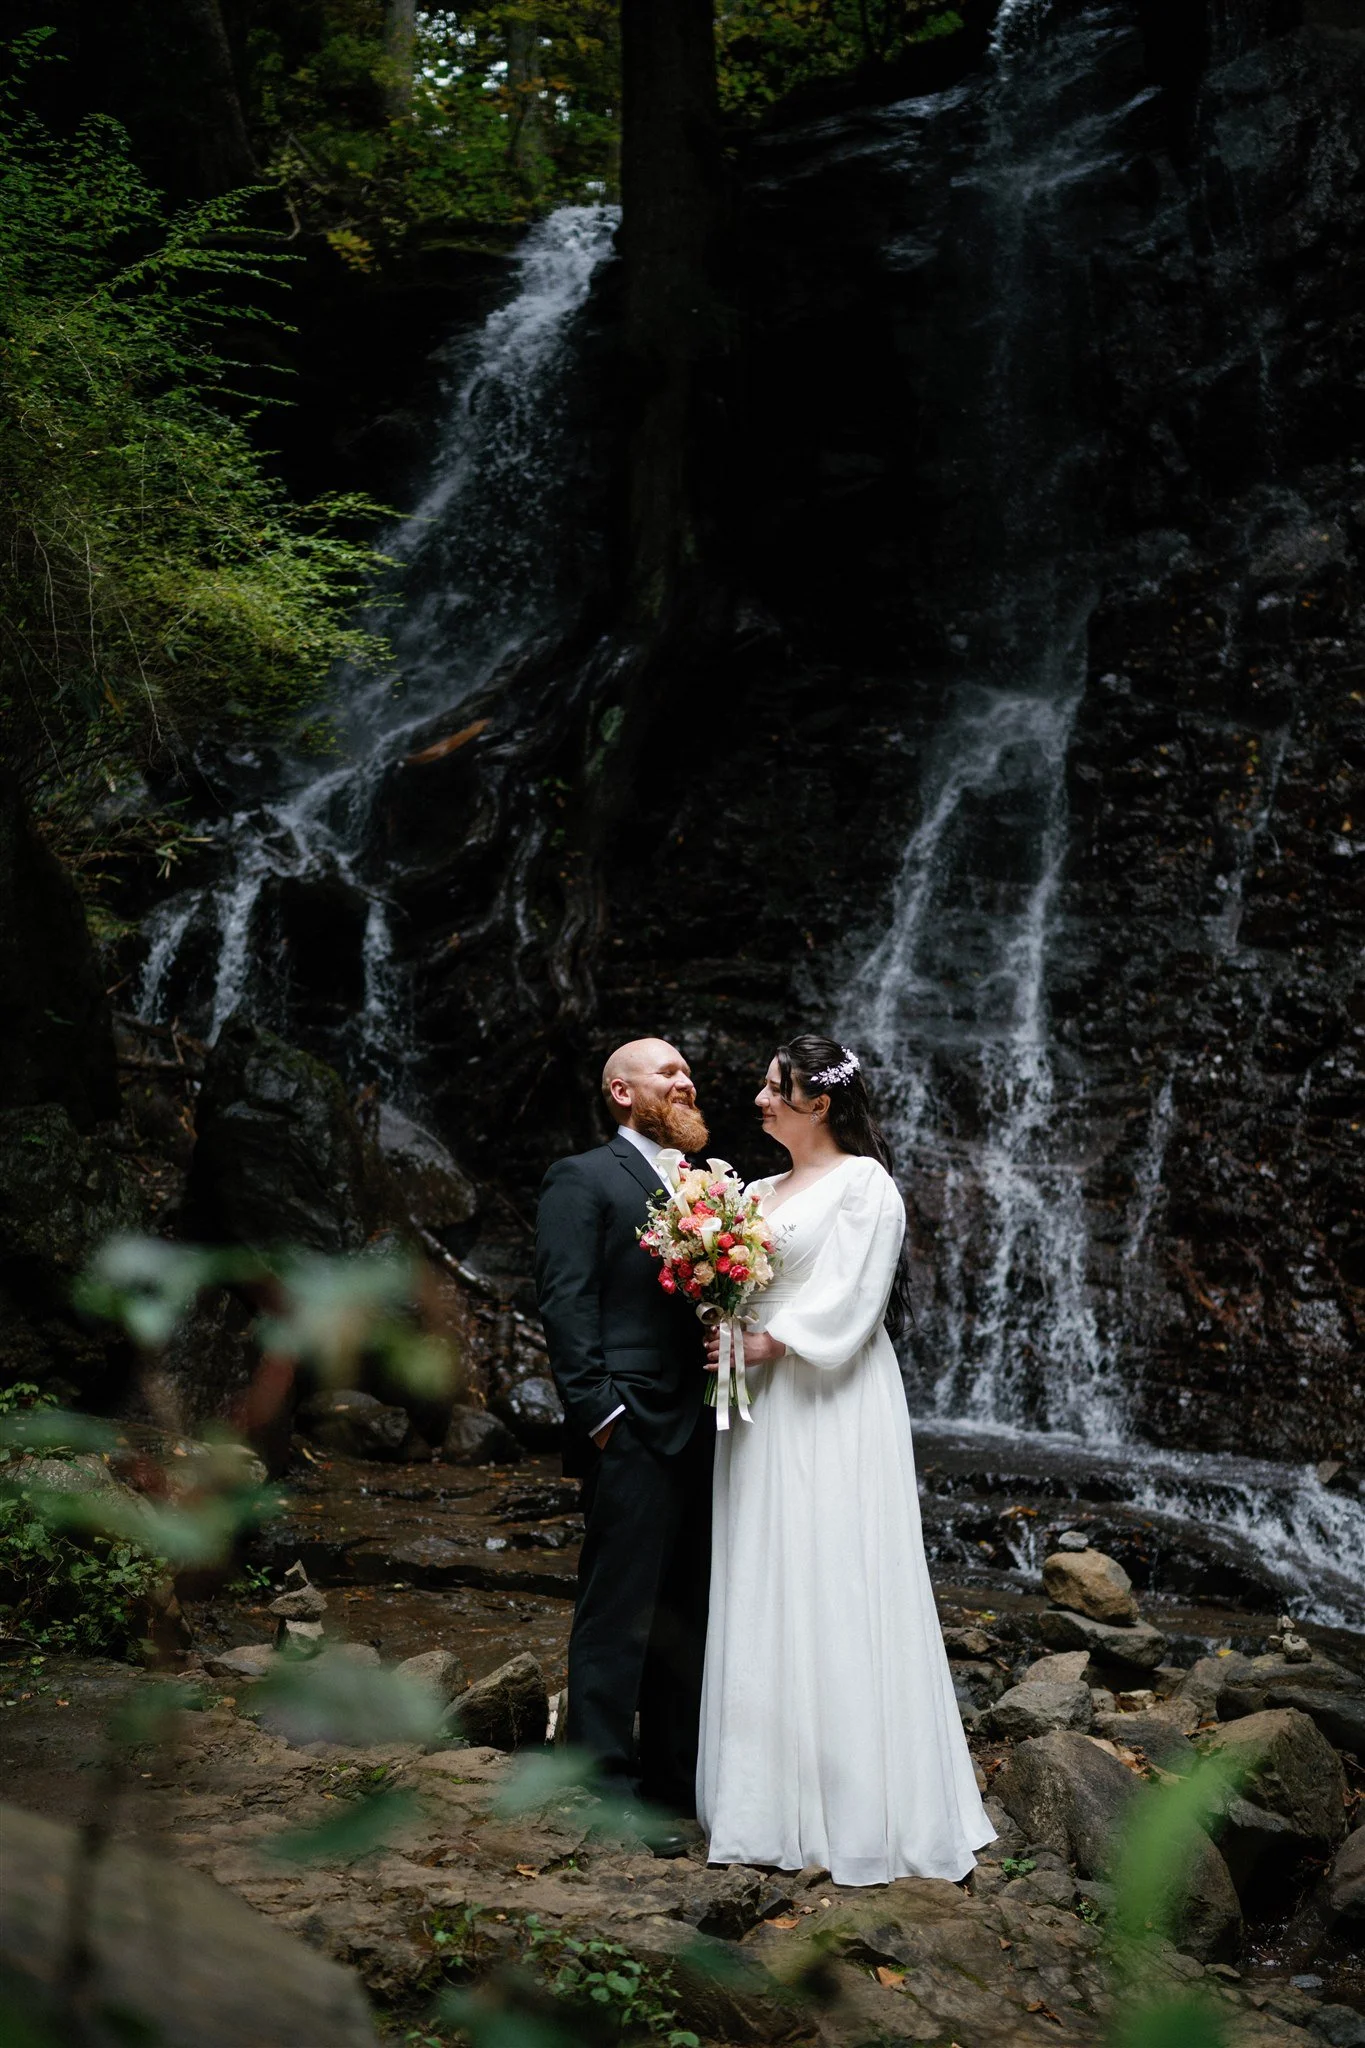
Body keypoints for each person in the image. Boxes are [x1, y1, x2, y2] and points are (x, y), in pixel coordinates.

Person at [697, 1032, 995, 1886]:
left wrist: (770, 1341)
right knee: (765, 1570)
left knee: (835, 1568)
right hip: (762, 1405)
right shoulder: (751, 1191)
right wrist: (719, 1315)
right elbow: (741, 1284)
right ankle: (764, 1801)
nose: (756, 1098)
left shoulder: (866, 1186)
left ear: (818, 1103)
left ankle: (857, 1808)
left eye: (772, 1086)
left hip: (830, 1395)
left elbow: (854, 1295)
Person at [535, 1037, 714, 1850]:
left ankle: (674, 1783)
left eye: (686, 1072)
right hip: (632, 1423)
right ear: (620, 1091)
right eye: (666, 1072)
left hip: (708, 1427)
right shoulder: (584, 1177)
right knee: (618, 1610)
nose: (684, 1081)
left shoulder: (712, 1186)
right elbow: (566, 1301)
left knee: (688, 1611)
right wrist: (599, 1414)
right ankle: (602, 1784)